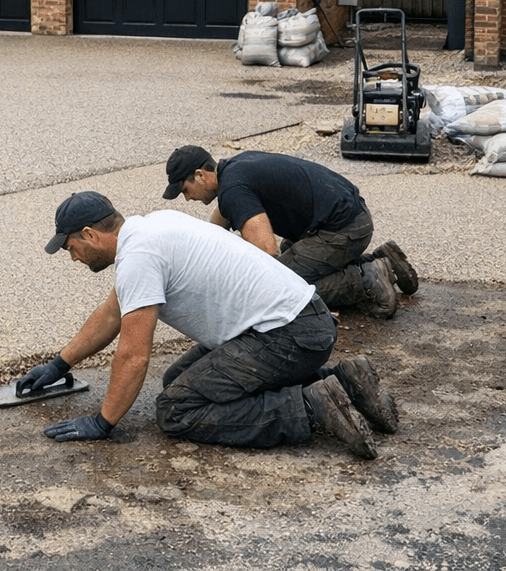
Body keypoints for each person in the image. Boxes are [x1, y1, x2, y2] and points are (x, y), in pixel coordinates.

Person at [22, 191, 399, 459]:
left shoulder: (138, 256)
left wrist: (103, 422)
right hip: (298, 321)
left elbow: (134, 356)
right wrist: (60, 364)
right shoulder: (152, 227)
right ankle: (345, 379)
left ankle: (309, 405)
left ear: (90, 235)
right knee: (177, 383)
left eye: (70, 247)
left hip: (290, 335)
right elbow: (111, 314)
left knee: (176, 410)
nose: (72, 257)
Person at [162, 145, 419, 319]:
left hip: (345, 228)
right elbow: (214, 233)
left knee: (282, 286)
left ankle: (367, 278)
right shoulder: (234, 169)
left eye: (185, 190)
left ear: (200, 175)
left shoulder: (233, 190)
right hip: (350, 215)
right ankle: (378, 261)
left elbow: (266, 252)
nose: (186, 199)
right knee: (289, 253)